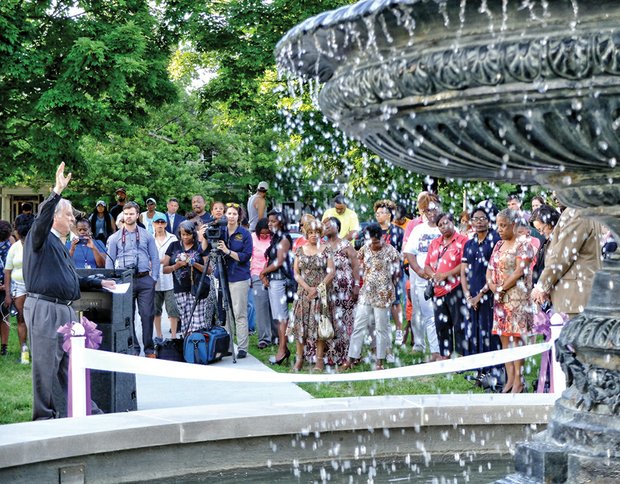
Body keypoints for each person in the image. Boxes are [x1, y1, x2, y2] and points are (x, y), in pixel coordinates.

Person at [23, 162, 115, 419]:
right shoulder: (39, 236)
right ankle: (43, 419)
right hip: (45, 309)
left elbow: (67, 277)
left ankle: (90, 411)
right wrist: (56, 192)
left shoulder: (59, 243)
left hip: (63, 310)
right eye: (69, 216)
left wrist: (97, 283)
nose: (74, 220)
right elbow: (41, 218)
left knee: (70, 367)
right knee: (45, 367)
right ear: (54, 216)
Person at [486, 208, 535, 394]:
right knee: (505, 340)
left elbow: (519, 271)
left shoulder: (524, 245)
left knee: (517, 340)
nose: (499, 229)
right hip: (500, 299)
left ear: (514, 225)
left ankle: (518, 381)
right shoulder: (498, 245)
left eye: (503, 225)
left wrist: (501, 288)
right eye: (498, 225)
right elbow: (490, 268)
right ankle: (509, 380)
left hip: (517, 298)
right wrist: (492, 286)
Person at [341, 223, 400, 371]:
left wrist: (392, 281)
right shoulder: (365, 248)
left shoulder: (390, 251)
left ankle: (379, 361)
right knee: (359, 326)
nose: (373, 245)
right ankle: (350, 359)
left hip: (383, 295)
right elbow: (355, 262)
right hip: (366, 293)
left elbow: (397, 270)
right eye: (370, 241)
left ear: (382, 238)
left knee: (381, 328)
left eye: (376, 241)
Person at [106, 201, 160, 357]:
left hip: (144, 279)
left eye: (131, 214)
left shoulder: (146, 235)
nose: (128, 217)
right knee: (128, 316)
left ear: (137, 215)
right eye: (126, 214)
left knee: (147, 314)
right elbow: (110, 260)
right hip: (125, 280)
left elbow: (155, 258)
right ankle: (134, 348)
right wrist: (112, 280)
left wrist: (154, 278)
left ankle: (149, 348)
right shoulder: (115, 237)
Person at [531, 207, 603, 318]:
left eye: (542, 229)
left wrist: (541, 287)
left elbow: (562, 256)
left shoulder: (577, 211)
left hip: (575, 298)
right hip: (578, 296)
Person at [460, 207, 502, 383]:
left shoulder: (495, 241)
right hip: (472, 296)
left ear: (488, 220)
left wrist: (480, 294)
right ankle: (479, 370)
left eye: (482, 218)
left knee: (489, 332)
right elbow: (463, 272)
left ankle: (493, 370)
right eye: (475, 219)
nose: (478, 222)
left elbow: (495, 271)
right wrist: (468, 296)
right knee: (475, 332)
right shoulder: (469, 244)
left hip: (489, 294)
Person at [290, 220, 335, 371]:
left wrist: (318, 288)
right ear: (306, 234)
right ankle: (299, 359)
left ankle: (319, 360)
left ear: (321, 234)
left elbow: (331, 272)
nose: (313, 235)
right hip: (303, 292)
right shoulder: (300, 249)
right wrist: (307, 288)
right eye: (310, 233)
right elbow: (296, 272)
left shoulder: (326, 249)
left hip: (321, 292)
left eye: (316, 232)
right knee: (300, 325)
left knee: (319, 326)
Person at [403, 193, 441, 359]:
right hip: (419, 277)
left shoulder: (445, 227)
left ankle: (437, 349)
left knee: (434, 314)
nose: (431, 212)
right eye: (428, 209)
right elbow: (409, 252)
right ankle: (420, 344)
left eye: (434, 208)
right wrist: (419, 271)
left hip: (440, 277)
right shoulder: (417, 228)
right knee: (419, 311)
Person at [424, 213, 468, 358]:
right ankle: (445, 356)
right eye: (440, 225)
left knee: (458, 323)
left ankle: (461, 355)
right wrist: (434, 276)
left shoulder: (463, 241)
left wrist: (446, 275)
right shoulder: (435, 243)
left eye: (446, 223)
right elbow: (427, 266)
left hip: (456, 288)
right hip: (438, 291)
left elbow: (464, 264)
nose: (443, 227)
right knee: (441, 325)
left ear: (452, 222)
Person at [163, 220, 215, 334]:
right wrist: (176, 266)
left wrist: (193, 263)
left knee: (197, 321)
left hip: (198, 288)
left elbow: (209, 270)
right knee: (185, 321)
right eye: (183, 235)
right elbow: (164, 269)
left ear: (193, 234)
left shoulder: (200, 247)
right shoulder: (173, 246)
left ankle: (197, 345)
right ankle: (189, 346)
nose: (185, 237)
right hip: (179, 289)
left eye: (188, 234)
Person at [217, 203, 253, 359]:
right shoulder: (220, 231)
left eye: (234, 214)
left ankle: (243, 347)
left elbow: (245, 257)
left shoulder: (244, 234)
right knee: (226, 313)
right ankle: (229, 345)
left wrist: (228, 251)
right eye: (229, 213)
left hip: (239, 277)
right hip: (223, 276)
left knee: (240, 313)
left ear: (239, 216)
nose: (231, 216)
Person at [323, 216, 360, 365]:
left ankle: (348, 354)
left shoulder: (345, 245)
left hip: (345, 290)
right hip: (328, 289)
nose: (326, 227)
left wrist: (357, 286)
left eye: (329, 225)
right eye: (324, 225)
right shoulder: (322, 246)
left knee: (345, 322)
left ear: (337, 228)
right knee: (331, 321)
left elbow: (356, 266)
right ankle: (332, 354)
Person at [260, 209, 293, 366]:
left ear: (281, 221)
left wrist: (262, 273)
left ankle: (282, 349)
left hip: (281, 281)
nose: (270, 224)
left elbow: (279, 262)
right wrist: (266, 276)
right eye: (269, 221)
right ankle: (282, 348)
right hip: (273, 281)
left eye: (273, 221)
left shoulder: (284, 238)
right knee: (278, 318)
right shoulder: (275, 238)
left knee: (282, 318)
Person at [5, 217, 34, 362]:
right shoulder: (14, 247)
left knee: (35, 320)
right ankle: (24, 350)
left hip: (35, 286)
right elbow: (7, 271)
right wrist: (7, 294)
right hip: (19, 287)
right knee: (21, 318)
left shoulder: (37, 246)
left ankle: (37, 350)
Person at [152, 213, 180, 340]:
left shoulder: (173, 238)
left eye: (162, 222)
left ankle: (173, 336)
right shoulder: (149, 238)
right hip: (154, 279)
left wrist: (158, 261)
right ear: (153, 224)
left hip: (170, 279)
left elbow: (175, 257)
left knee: (172, 310)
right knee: (155, 310)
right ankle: (159, 335)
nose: (160, 225)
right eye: (157, 222)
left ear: (166, 224)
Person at [250, 218, 274, 349]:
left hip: (273, 274)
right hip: (257, 274)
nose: (264, 235)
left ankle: (276, 335)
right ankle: (264, 338)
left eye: (267, 233)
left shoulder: (274, 238)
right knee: (261, 307)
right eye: (262, 233)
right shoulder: (252, 237)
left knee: (274, 307)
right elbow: (249, 256)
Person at [529, 205, 560, 285]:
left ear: (549, 223)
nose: (541, 233)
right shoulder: (545, 240)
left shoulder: (560, 239)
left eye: (541, 229)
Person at [0, 220, 12, 356]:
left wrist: (6, 286)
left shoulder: (10, 246)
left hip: (5, 286)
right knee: (4, 317)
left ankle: (4, 347)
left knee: (4, 316)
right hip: (4, 286)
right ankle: (4, 346)